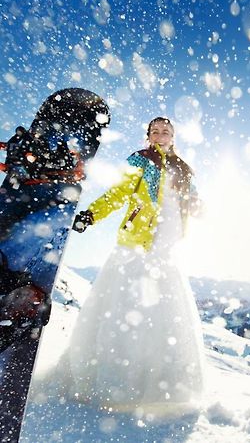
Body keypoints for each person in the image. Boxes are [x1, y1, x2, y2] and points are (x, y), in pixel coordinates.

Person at [66, 117, 205, 415]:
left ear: (173, 136)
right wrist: (92, 214)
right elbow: (119, 192)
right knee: (125, 304)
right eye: (155, 130)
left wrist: (198, 206)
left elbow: (193, 200)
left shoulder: (183, 167)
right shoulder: (140, 160)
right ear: (148, 135)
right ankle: (114, 382)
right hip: (137, 241)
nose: (160, 134)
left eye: (165, 131)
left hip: (167, 241)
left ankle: (160, 383)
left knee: (162, 309)